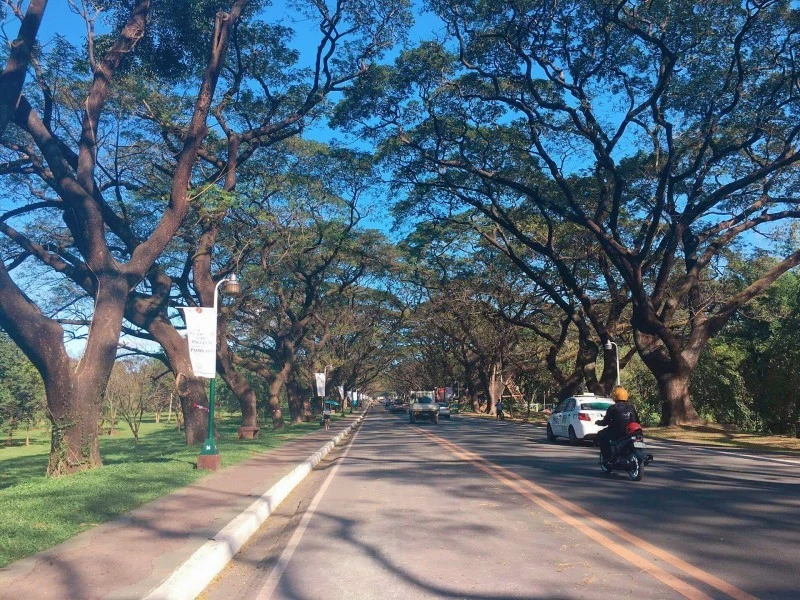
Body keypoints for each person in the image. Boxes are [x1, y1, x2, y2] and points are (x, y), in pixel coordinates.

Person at [596, 386, 639, 463]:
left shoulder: (612, 408)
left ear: (614, 396)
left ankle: (607, 457)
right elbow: (637, 421)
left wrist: (598, 422)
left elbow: (605, 422)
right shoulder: (631, 407)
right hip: (631, 432)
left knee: (601, 435)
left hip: (616, 432)